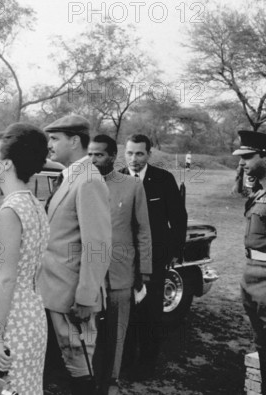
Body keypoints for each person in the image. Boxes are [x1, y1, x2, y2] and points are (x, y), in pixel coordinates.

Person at [37, 114, 112, 395]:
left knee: (80, 369)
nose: (50, 145)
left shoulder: (88, 181)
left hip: (72, 298)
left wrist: (85, 297)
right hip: (55, 291)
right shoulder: (71, 176)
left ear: (75, 141)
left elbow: (98, 245)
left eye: (55, 138)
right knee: (65, 368)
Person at [0, 124, 50, 394]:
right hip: (30, 313)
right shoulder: (33, 204)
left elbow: (7, 278)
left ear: (6, 164)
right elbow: (35, 267)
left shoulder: (11, 209)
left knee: (3, 388)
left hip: (10, 322)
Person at [88, 135, 152, 395]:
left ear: (113, 156)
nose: (93, 160)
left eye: (99, 155)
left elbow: (143, 231)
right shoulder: (81, 184)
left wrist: (144, 271)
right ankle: (86, 380)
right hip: (87, 275)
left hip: (119, 274)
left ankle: (111, 382)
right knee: (87, 333)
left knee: (116, 334)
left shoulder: (131, 186)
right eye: (90, 155)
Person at [121, 134, 187, 379]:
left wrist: (173, 252)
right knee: (125, 312)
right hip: (123, 258)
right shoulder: (116, 178)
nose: (134, 158)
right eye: (129, 153)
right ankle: (125, 361)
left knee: (150, 313)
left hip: (155, 259)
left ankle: (146, 365)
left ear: (149, 154)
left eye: (139, 153)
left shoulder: (162, 179)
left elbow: (178, 219)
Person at [233, 130, 266, 395]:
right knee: (262, 344)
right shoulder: (259, 192)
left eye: (247, 157)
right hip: (252, 274)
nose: (241, 163)